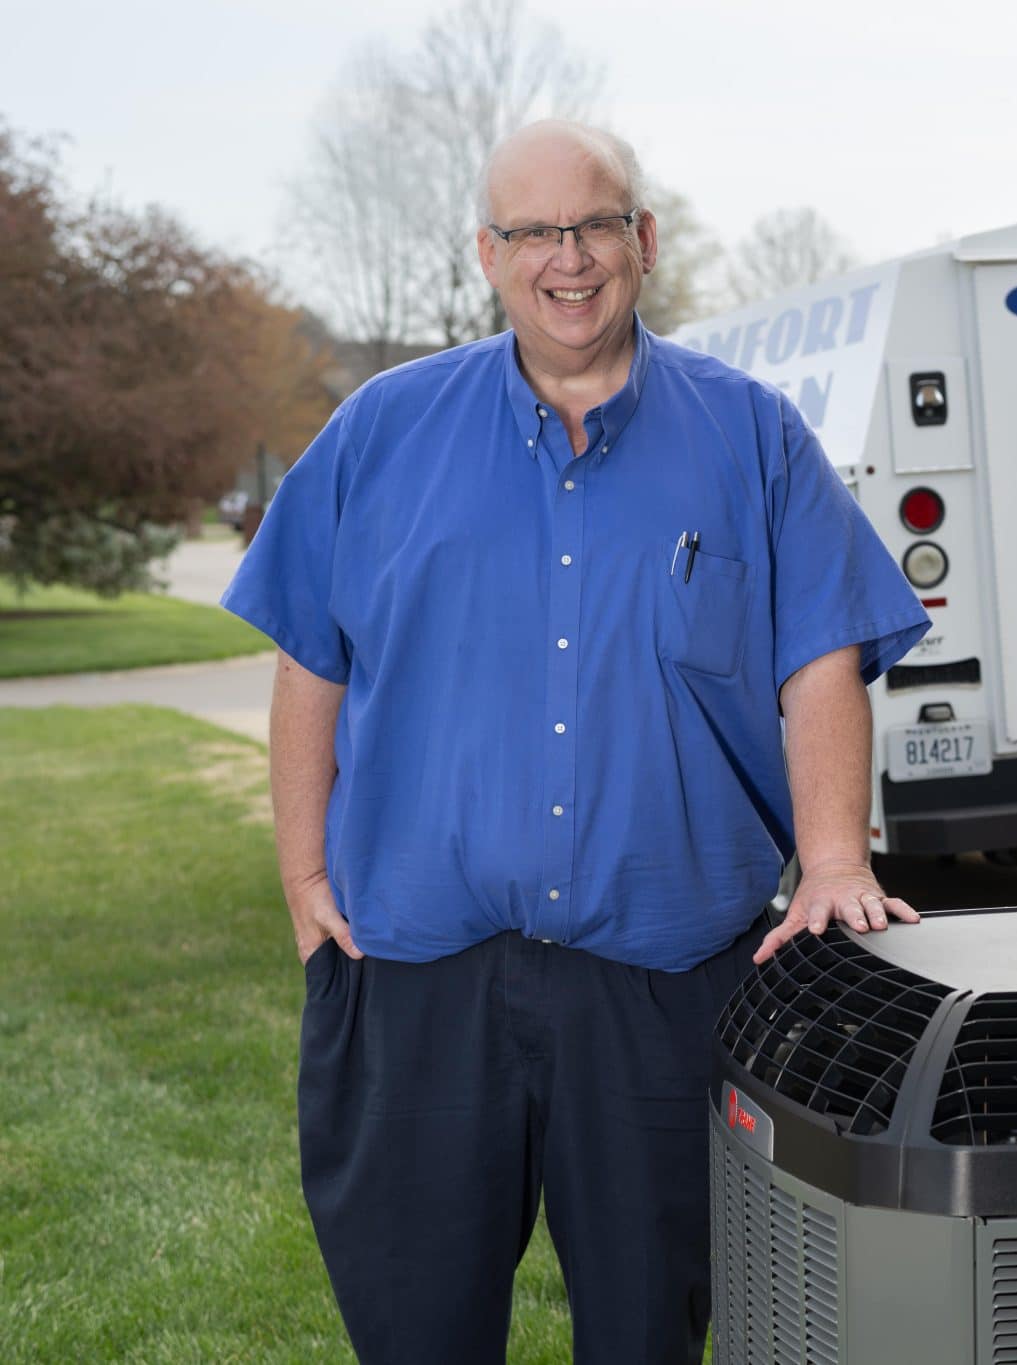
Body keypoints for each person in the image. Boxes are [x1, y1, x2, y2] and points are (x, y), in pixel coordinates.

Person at [222, 119, 929, 1363]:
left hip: (662, 989)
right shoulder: (382, 432)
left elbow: (820, 651)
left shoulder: (750, 436)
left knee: (652, 1331)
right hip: (420, 978)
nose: (569, 258)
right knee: (416, 1330)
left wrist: (831, 862)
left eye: (594, 224)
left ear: (642, 241)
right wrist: (301, 876)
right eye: (533, 233)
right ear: (487, 256)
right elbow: (307, 657)